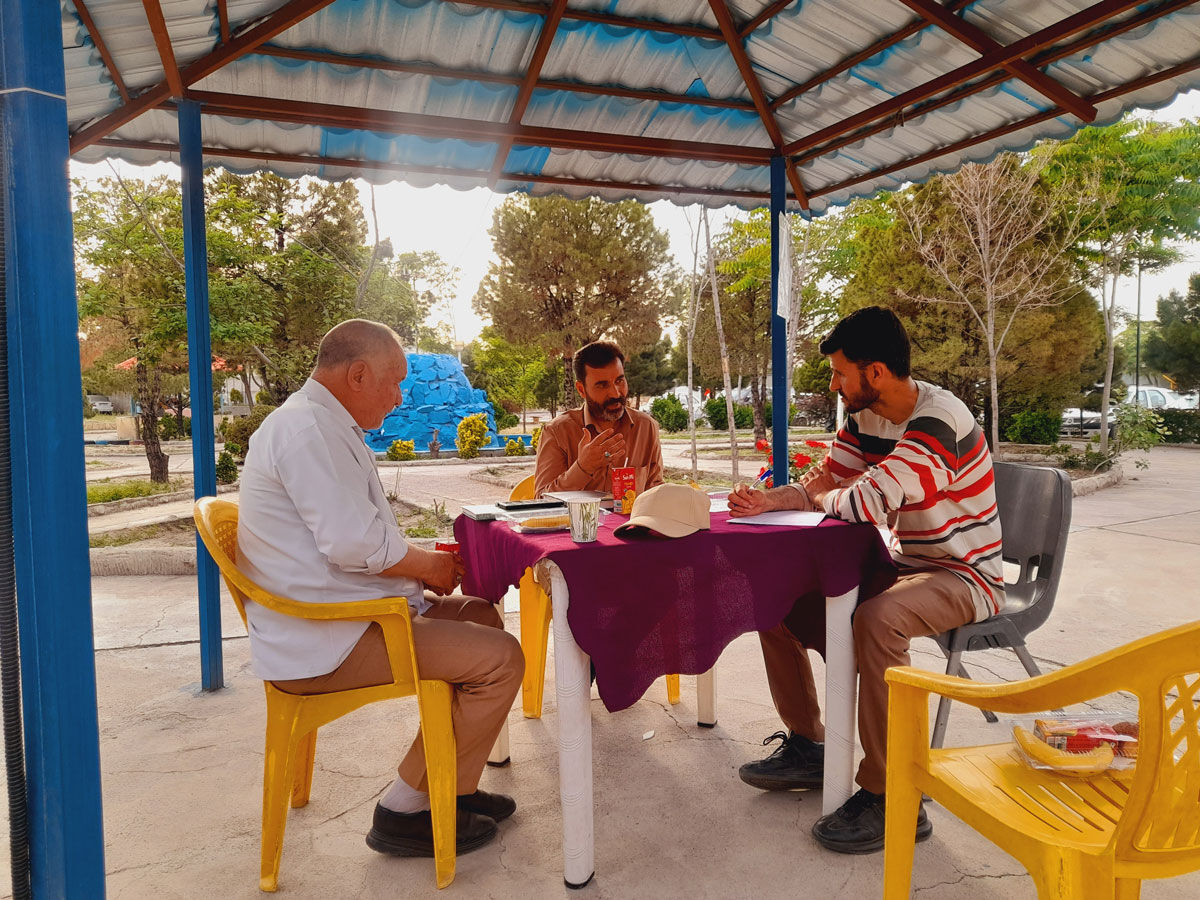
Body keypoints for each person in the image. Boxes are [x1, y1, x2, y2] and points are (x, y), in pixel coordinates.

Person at [237, 319, 524, 859]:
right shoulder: (306, 431)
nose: (398, 397)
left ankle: (451, 787)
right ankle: (404, 808)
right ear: (359, 373)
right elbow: (351, 544)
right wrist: (427, 570)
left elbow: (358, 536)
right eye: (394, 382)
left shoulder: (321, 424)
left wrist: (424, 568)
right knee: (502, 659)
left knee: (482, 616)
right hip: (327, 639)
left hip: (344, 615)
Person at [730, 306, 1004, 854]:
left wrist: (826, 496)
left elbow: (864, 500)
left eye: (839, 372)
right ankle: (810, 743)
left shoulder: (939, 419)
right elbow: (827, 481)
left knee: (878, 620)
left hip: (966, 574)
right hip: (906, 564)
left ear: (874, 372)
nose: (833, 383)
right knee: (778, 597)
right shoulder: (863, 417)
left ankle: (892, 790)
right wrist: (769, 501)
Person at [533, 340, 665, 497]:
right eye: (602, 385)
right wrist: (583, 468)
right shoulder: (557, 432)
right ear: (581, 390)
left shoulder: (646, 427)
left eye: (619, 381)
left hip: (632, 522)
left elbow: (655, 491)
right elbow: (541, 501)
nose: (615, 393)